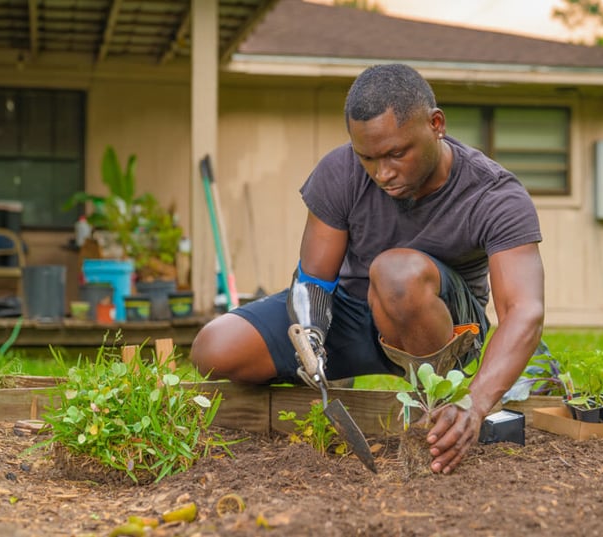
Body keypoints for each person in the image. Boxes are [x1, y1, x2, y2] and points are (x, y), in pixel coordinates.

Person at [191, 63, 545, 474]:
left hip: (440, 324)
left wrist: (476, 404)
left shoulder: (493, 194)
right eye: (368, 158)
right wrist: (311, 341)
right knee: (215, 348)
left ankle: (433, 411)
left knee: (396, 274)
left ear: (436, 124)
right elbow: (313, 281)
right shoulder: (339, 172)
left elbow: (524, 311)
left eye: (397, 153)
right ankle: (336, 376)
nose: (383, 173)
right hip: (353, 312)